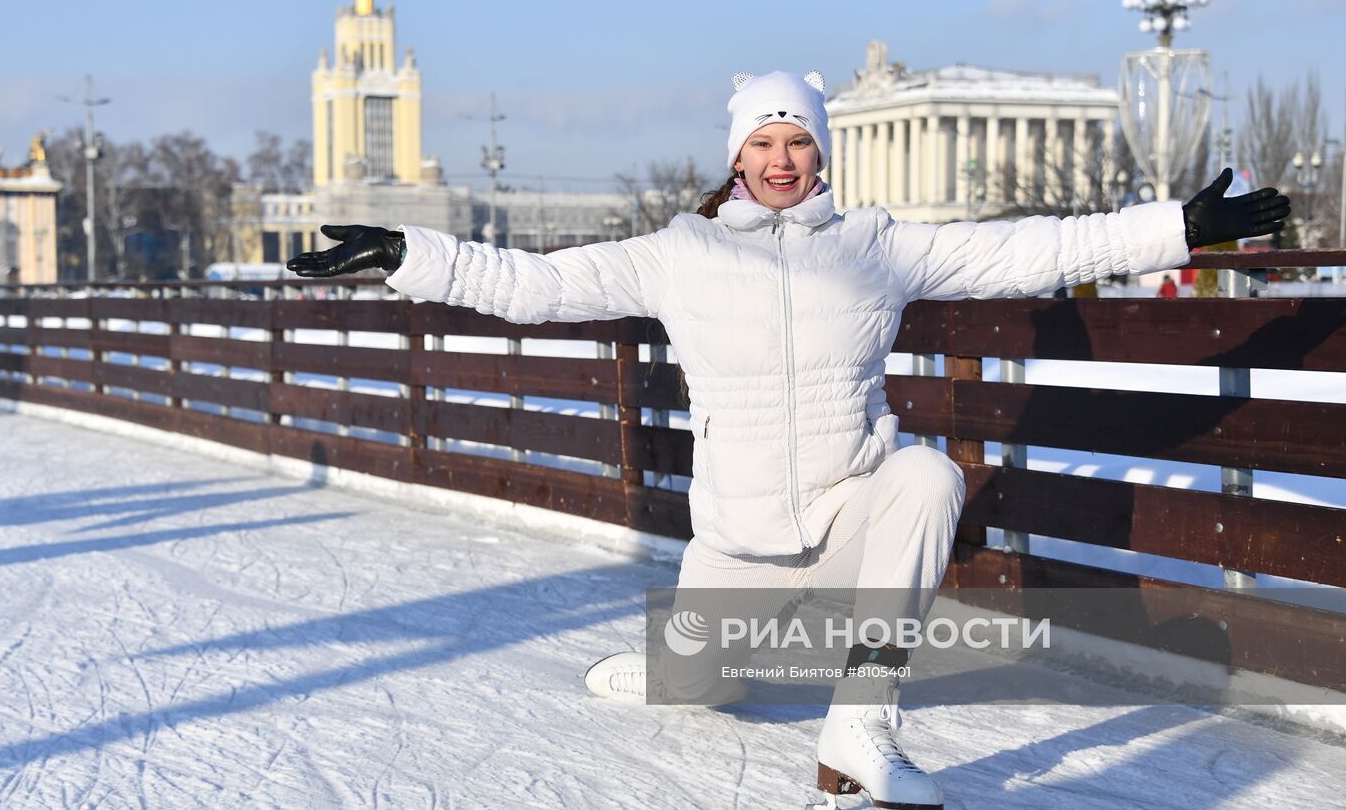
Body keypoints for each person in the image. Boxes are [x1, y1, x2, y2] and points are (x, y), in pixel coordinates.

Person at [287, 71, 1290, 809]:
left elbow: (1028, 248)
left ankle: (858, 734)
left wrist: (1174, 228)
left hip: (849, 512)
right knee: (698, 676)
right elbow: (535, 287)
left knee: (926, 477)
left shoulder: (875, 247)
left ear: (819, 153)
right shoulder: (673, 255)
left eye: (796, 142)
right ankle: (673, 661)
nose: (780, 160)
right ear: (735, 157)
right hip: (737, 548)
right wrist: (407, 255)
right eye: (763, 143)